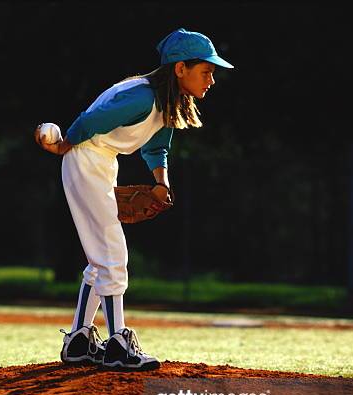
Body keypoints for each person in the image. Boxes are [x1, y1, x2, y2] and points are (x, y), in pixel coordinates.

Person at [35, 28, 234, 371]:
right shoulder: (143, 97)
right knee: (113, 253)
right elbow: (93, 120)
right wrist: (64, 144)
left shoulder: (168, 102)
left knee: (102, 257)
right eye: (206, 71)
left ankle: (80, 340)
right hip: (85, 159)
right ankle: (117, 344)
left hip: (100, 161)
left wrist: (162, 183)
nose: (211, 80)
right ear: (179, 69)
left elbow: (157, 147)